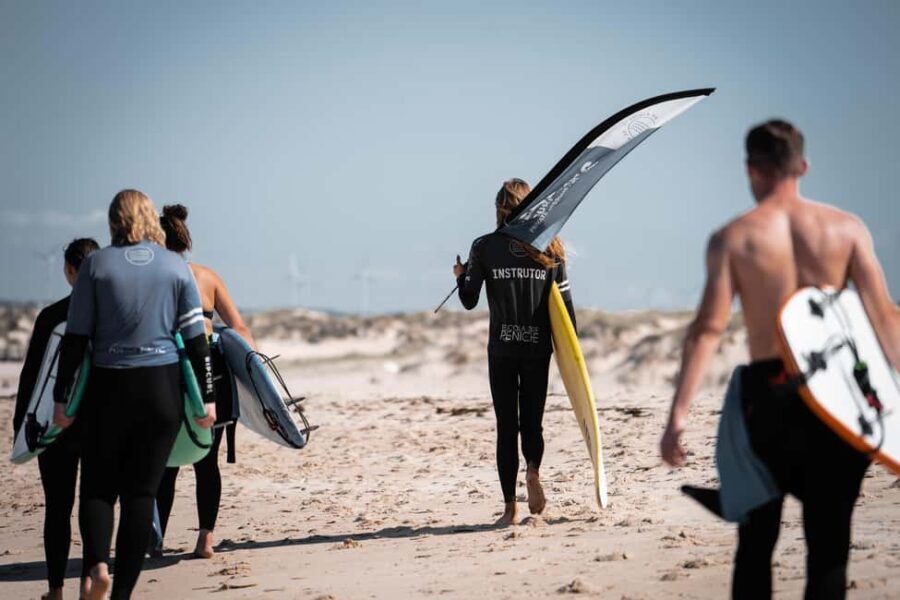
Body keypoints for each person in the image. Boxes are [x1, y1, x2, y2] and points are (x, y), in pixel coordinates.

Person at [660, 120, 899, 599]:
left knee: (756, 542)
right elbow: (885, 317)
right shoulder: (846, 229)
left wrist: (677, 418)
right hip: (838, 403)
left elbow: (707, 329)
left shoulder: (733, 238)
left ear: (751, 170)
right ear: (803, 166)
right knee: (829, 547)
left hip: (767, 402)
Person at [52, 189, 217, 600]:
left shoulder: (95, 266)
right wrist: (207, 398)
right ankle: (122, 593)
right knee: (142, 494)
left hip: (108, 388)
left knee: (97, 489)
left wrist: (61, 397)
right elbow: (198, 343)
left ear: (113, 221)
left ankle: (97, 568)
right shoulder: (175, 268)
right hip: (160, 391)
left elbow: (75, 340)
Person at [453, 178, 576, 526]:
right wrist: (572, 357)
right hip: (538, 350)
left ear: (498, 209)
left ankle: (510, 509)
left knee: (507, 426)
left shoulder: (485, 247)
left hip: (502, 350)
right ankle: (533, 472)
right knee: (532, 422)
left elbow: (468, 300)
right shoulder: (551, 248)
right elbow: (566, 309)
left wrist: (460, 276)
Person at [154, 204, 256, 559]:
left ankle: (156, 542)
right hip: (212, 372)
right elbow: (239, 327)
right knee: (206, 462)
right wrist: (256, 371)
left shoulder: (154, 278)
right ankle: (205, 540)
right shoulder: (207, 277)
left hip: (168, 370)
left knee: (164, 464)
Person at [13, 238, 99, 600]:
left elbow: (31, 376)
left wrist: (22, 427)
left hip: (54, 423)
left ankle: (56, 590)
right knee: (95, 504)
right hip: (99, 424)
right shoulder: (109, 315)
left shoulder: (50, 316)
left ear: (68, 270)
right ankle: (91, 584)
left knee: (58, 508)